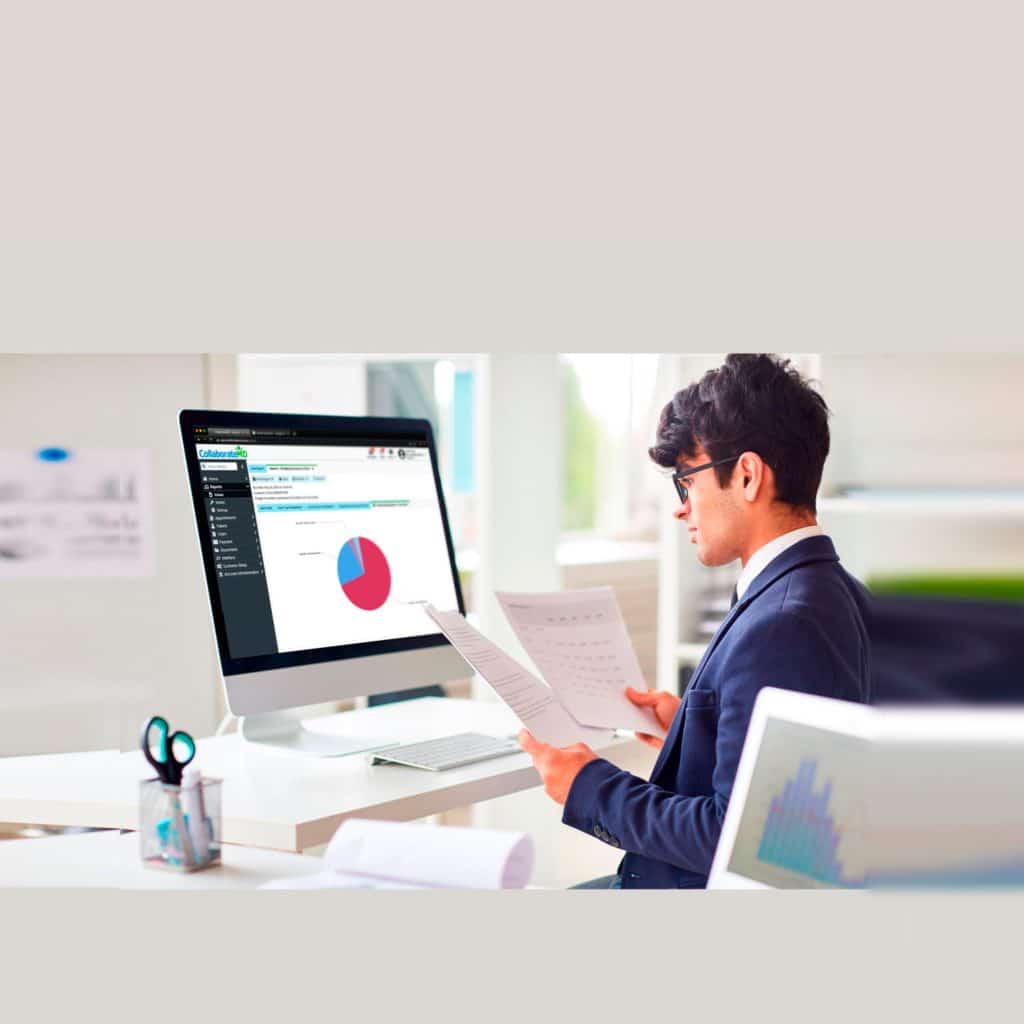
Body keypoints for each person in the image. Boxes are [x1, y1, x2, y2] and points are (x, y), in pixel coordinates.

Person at [518, 353, 872, 889]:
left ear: (748, 476)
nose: (682, 507)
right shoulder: (835, 593)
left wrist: (589, 787)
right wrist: (694, 731)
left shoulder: (784, 623)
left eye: (687, 480)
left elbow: (737, 837)